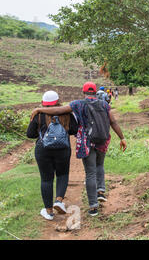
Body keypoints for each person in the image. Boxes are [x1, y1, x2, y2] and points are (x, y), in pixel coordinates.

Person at [31, 82, 127, 217]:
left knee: (90, 173)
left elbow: (58, 111)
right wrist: (122, 138)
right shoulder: (105, 104)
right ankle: (100, 190)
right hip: (102, 141)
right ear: (95, 92)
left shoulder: (78, 104)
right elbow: (113, 122)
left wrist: (40, 110)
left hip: (87, 142)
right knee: (99, 165)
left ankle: (93, 207)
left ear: (83, 92)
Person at [27, 91, 78, 221]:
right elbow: (74, 130)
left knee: (46, 179)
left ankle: (49, 211)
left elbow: (30, 134)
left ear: (43, 103)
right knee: (62, 174)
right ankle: (59, 201)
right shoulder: (66, 113)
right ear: (58, 101)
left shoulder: (38, 114)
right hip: (63, 149)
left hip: (43, 149)